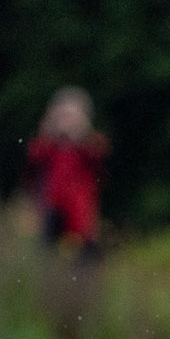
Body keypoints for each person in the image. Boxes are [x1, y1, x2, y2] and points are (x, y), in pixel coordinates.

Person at [26, 87, 108, 249]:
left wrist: (80, 136)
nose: (67, 121)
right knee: (49, 256)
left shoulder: (90, 145)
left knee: (82, 261)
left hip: (80, 215)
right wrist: (50, 131)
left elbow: (100, 161)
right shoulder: (48, 145)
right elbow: (32, 160)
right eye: (63, 116)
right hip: (51, 210)